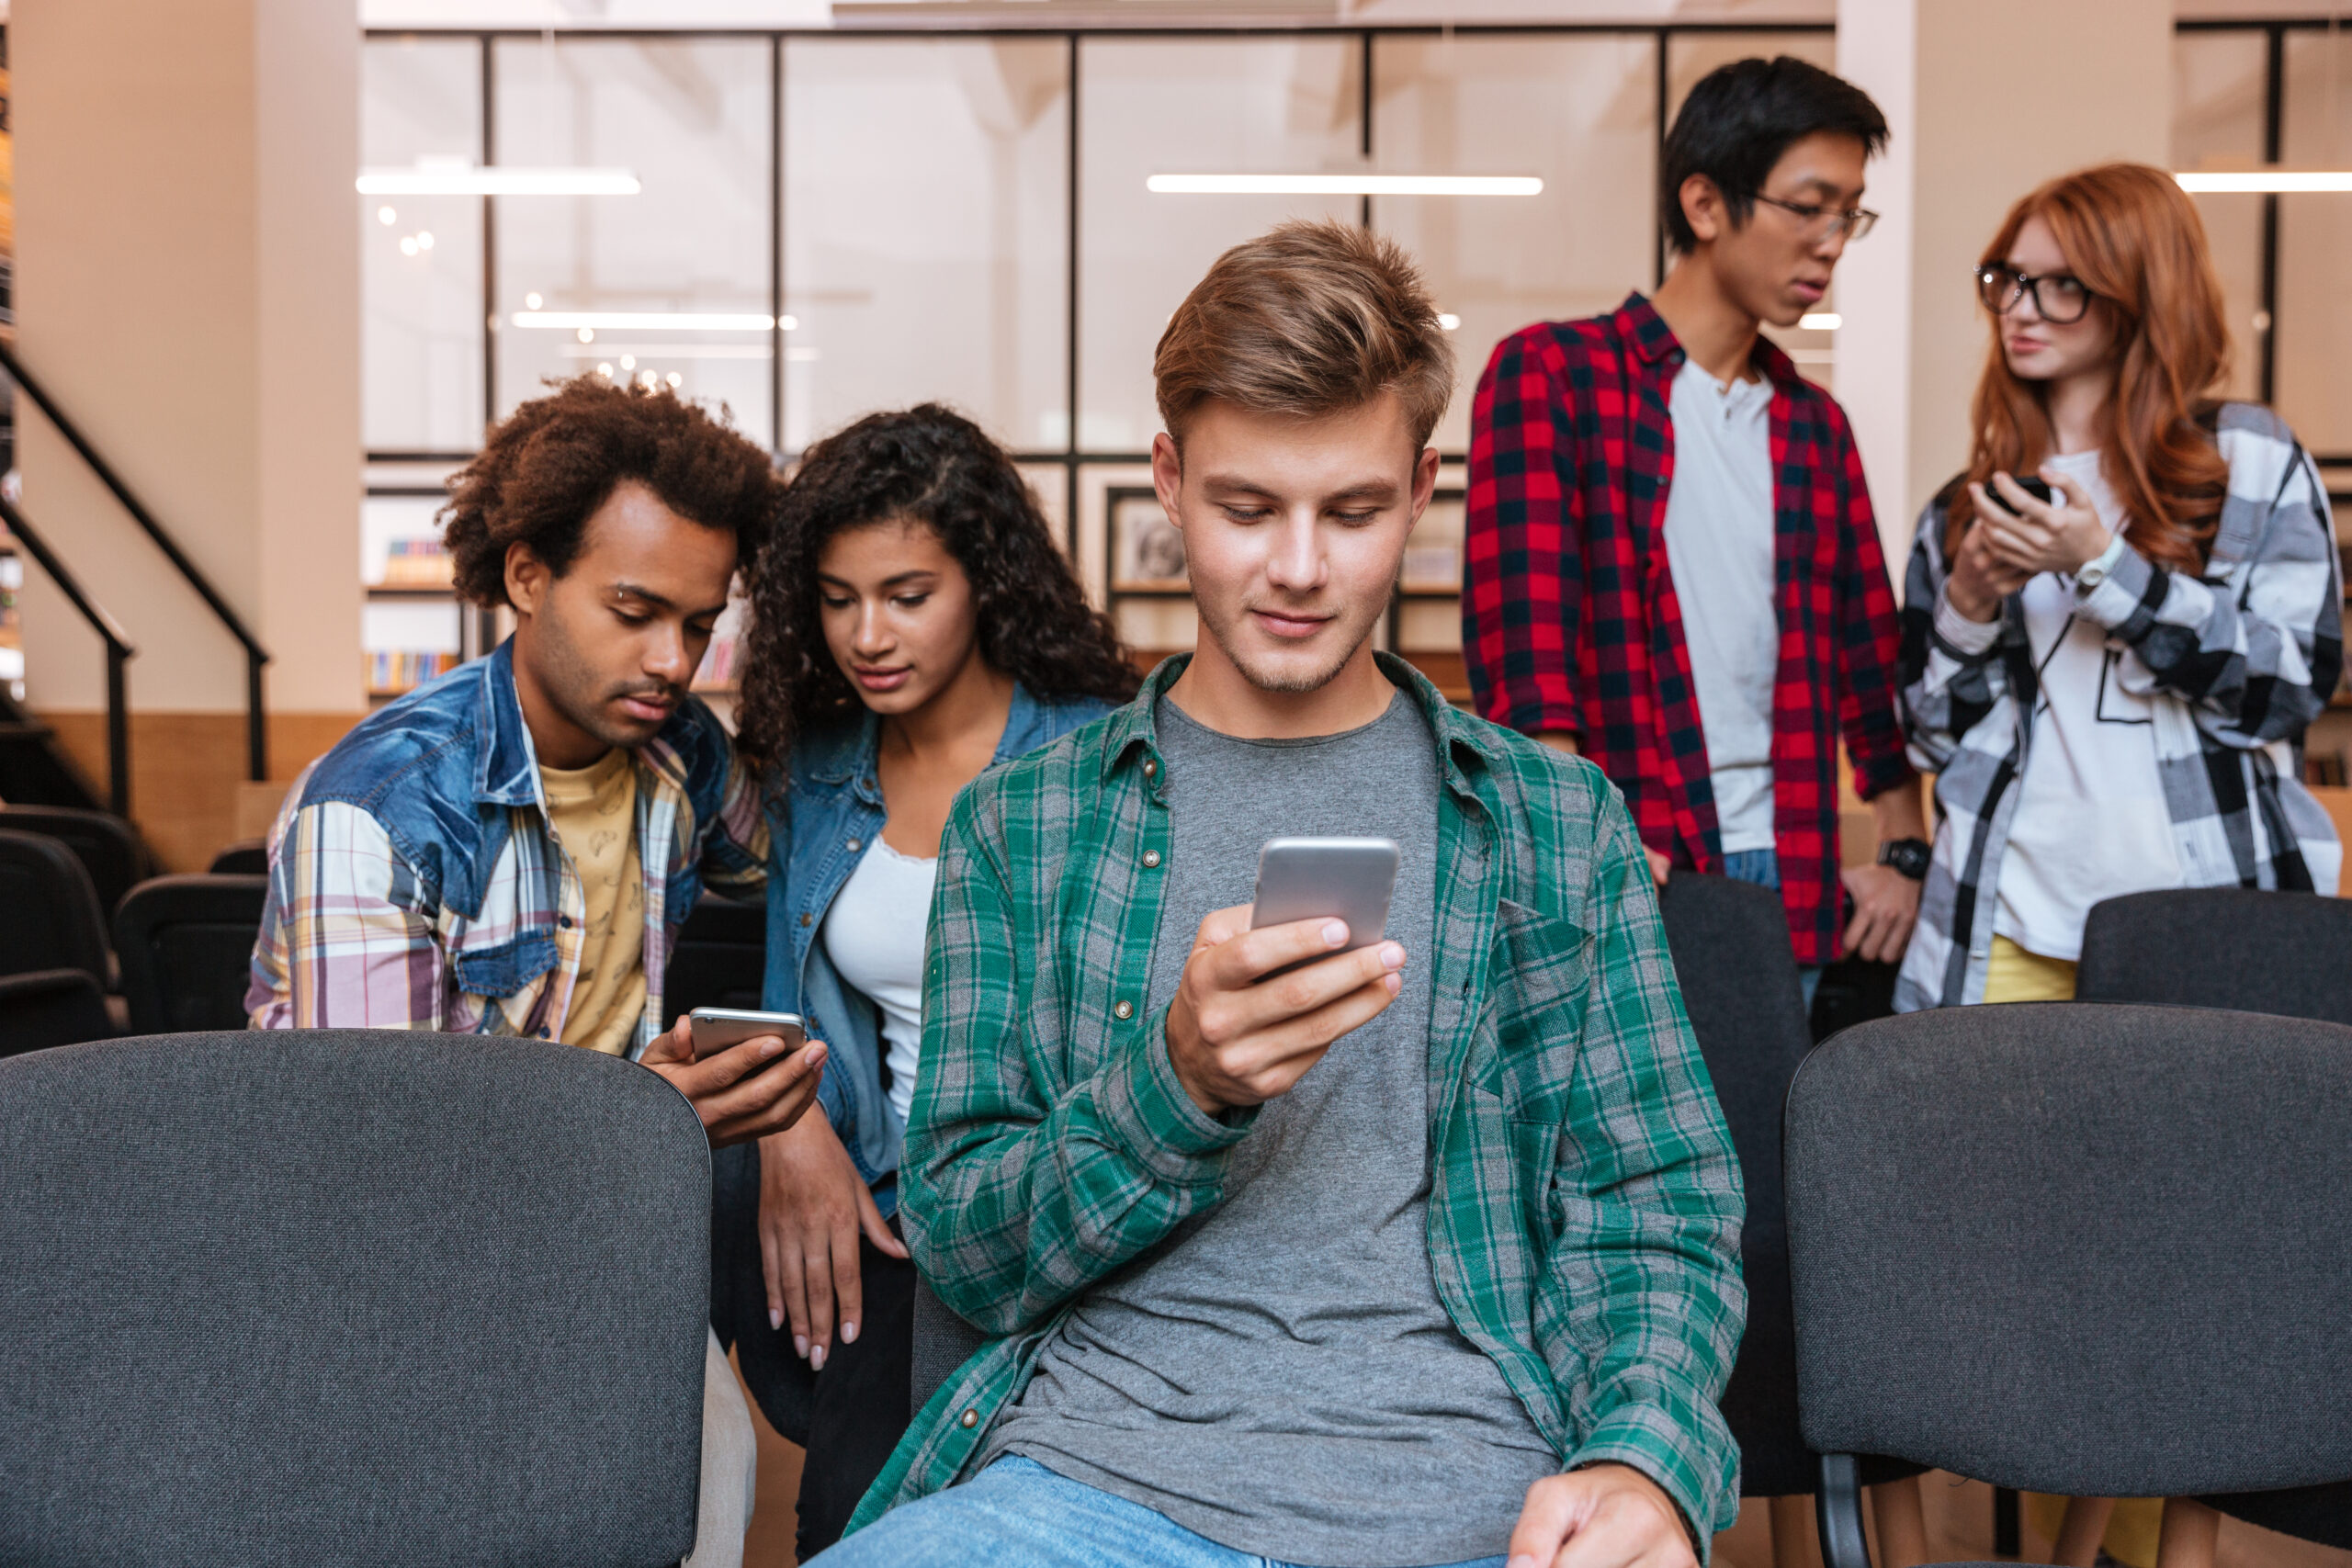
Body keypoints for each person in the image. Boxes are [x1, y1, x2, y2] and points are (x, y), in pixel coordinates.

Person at [810, 220, 1747, 1568]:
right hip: (1083, 1487)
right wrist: (1175, 1083)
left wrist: (1642, 1456)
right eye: (1249, 508)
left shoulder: (1555, 823)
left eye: (1352, 511)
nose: (1300, 567)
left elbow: (1655, 1205)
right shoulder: (1026, 826)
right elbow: (966, 1245)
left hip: (1478, 1496)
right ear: (1171, 481)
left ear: (1423, 488)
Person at [247, 376, 822, 1568]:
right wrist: (637, 1113)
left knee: (707, 1491)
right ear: (523, 575)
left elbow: (817, 854)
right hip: (397, 1289)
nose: (673, 658)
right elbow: (375, 1159)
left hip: (606, 1235)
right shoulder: (377, 814)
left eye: (701, 622)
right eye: (633, 608)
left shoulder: (676, 748)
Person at [1895, 162, 2342, 1568]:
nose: (2020, 308)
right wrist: (1967, 606)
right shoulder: (1971, 497)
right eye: (2004, 278)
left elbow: (2292, 685)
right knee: (2025, 1264)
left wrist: (2106, 566)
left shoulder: (2247, 460)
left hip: (2207, 937)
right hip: (2012, 925)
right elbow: (1931, 726)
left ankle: (2148, 1548)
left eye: (2056, 282)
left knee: (2189, 1277)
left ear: (2134, 291)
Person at [720, 404, 1140, 1557]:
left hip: (1050, 1204)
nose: (868, 634)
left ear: (984, 584)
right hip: (887, 1206)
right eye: (839, 597)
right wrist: (791, 1126)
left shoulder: (1098, 757)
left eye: (908, 594)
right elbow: (780, 1007)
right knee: (847, 1512)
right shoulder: (819, 762)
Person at [1464, 55, 1930, 1005]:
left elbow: (1868, 658)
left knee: (1778, 1148)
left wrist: (1905, 850)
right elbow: (1527, 649)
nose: (1832, 241)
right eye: (1809, 206)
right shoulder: (1554, 375)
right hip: (1631, 861)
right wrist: (1580, 836)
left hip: (1794, 870)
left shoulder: (1813, 425)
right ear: (1706, 204)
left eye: (1849, 212)